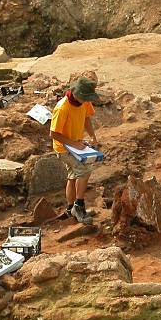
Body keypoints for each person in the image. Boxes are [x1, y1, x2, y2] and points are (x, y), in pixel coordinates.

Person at [50, 77, 99, 223]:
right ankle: (79, 206)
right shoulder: (62, 108)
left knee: (72, 177)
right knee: (85, 171)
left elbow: (86, 118)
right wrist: (73, 144)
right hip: (63, 148)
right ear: (76, 93)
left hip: (76, 145)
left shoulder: (84, 101)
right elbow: (53, 134)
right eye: (84, 98)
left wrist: (93, 137)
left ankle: (70, 209)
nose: (86, 101)